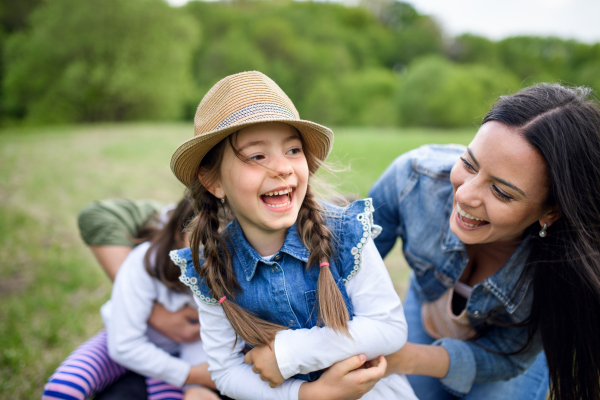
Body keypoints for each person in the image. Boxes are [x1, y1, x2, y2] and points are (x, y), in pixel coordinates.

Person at [168, 71, 417, 400]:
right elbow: (226, 371)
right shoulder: (214, 265)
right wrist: (306, 395)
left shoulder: (342, 233)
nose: (283, 167)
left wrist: (287, 355)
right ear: (213, 182)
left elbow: (388, 327)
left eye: (293, 150)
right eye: (257, 156)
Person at [369, 83, 600, 400]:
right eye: (468, 163)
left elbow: (508, 356)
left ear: (551, 212)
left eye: (502, 192)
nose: (464, 194)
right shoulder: (412, 179)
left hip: (504, 352)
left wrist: (407, 358)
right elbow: (346, 269)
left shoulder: (565, 267)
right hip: (428, 314)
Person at [42, 197, 220, 400]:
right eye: (202, 239)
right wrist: (188, 374)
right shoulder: (145, 262)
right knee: (64, 387)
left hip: (184, 354)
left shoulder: (237, 278)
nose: (214, 252)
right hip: (125, 342)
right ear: (177, 233)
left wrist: (194, 383)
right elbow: (123, 344)